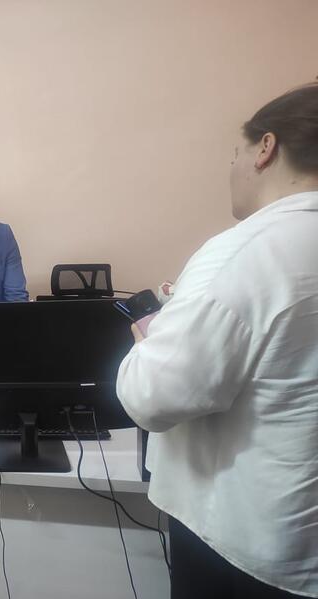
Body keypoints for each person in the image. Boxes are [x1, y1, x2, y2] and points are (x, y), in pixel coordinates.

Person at [117, 83, 318, 598]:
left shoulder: (245, 253)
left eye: (236, 154)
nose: (233, 169)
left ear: (265, 148)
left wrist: (150, 338)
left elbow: (152, 397)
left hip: (243, 545)